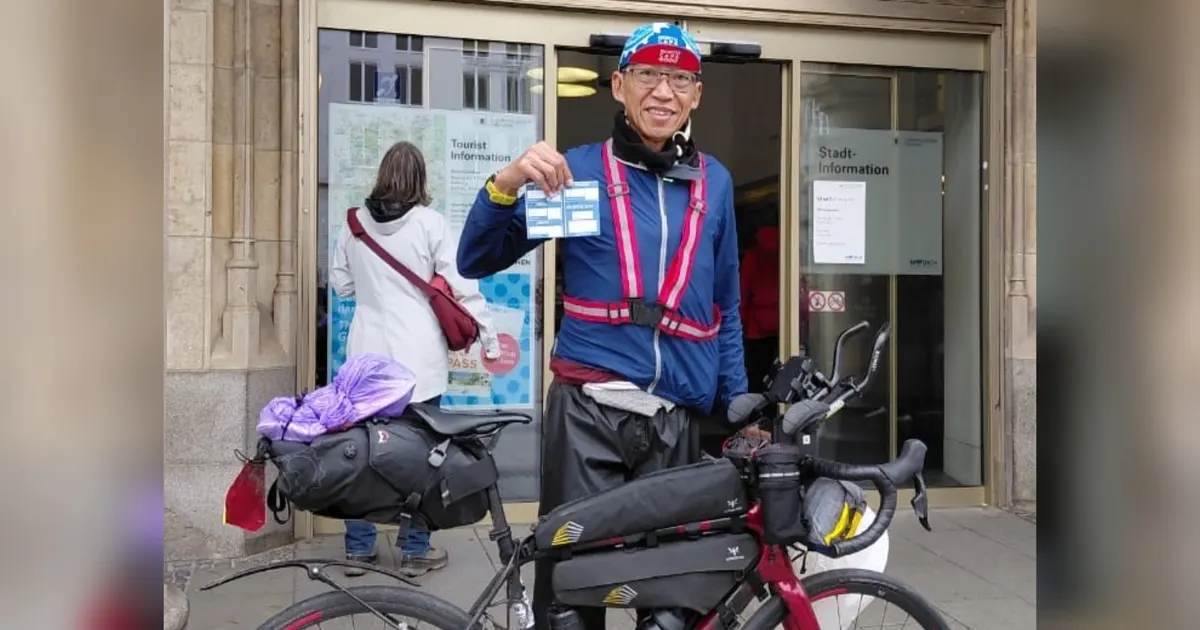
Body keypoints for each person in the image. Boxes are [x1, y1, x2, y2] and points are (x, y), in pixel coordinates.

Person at [456, 23, 751, 630]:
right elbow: (475, 260)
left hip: (675, 422)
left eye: (679, 79)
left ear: (697, 95)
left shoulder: (715, 183)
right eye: (647, 74)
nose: (662, 91)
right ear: (619, 85)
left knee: (671, 601)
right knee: (570, 595)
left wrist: (741, 410)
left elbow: (725, 306)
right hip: (587, 416)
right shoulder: (576, 172)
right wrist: (506, 185)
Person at [330, 141, 502, 576]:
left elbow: (342, 286)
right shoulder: (431, 224)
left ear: (382, 175)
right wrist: (488, 334)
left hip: (366, 356)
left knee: (361, 452)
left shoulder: (352, 225)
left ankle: (359, 549)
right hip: (418, 360)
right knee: (425, 455)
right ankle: (413, 549)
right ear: (421, 180)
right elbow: (461, 286)